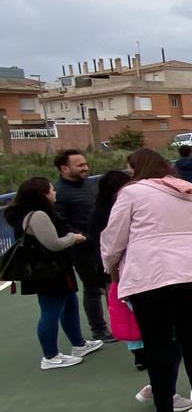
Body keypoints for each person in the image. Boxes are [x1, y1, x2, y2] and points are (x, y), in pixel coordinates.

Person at [102, 148, 192, 412]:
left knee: (157, 343)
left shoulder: (131, 194)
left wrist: (111, 266)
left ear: (138, 169)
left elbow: (114, 238)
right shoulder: (189, 191)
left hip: (150, 277)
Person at [4, 177, 103, 369]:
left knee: (69, 305)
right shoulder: (38, 215)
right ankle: (50, 356)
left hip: (56, 269)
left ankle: (79, 344)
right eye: (51, 190)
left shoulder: (24, 213)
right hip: (49, 271)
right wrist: (72, 238)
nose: (55, 192)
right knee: (51, 311)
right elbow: (53, 244)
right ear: (42, 194)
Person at [53, 149, 115, 342]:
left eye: (86, 164)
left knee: (112, 286)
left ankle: (119, 323)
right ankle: (98, 329)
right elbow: (60, 222)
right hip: (83, 250)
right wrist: (81, 236)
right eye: (80, 165)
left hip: (103, 245)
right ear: (64, 168)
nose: (85, 168)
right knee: (92, 289)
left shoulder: (91, 184)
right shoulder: (60, 193)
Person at [88, 169, 144, 370]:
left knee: (124, 313)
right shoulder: (118, 209)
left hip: (112, 269)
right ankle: (144, 351)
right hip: (122, 270)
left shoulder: (99, 210)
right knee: (136, 312)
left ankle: (138, 353)